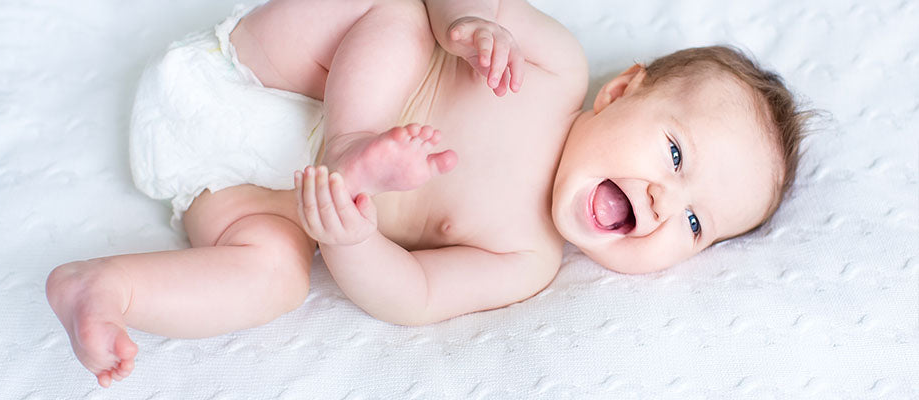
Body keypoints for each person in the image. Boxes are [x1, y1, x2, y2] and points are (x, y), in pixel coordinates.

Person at [45, 0, 807, 388]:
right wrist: (469, 23)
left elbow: (411, 292)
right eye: (675, 154)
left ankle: (105, 288)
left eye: (698, 222)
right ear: (623, 90)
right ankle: (353, 142)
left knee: (276, 277)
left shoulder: (525, 260)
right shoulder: (552, 70)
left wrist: (351, 238)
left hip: (234, 188)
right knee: (401, 14)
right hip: (268, 68)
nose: (664, 201)